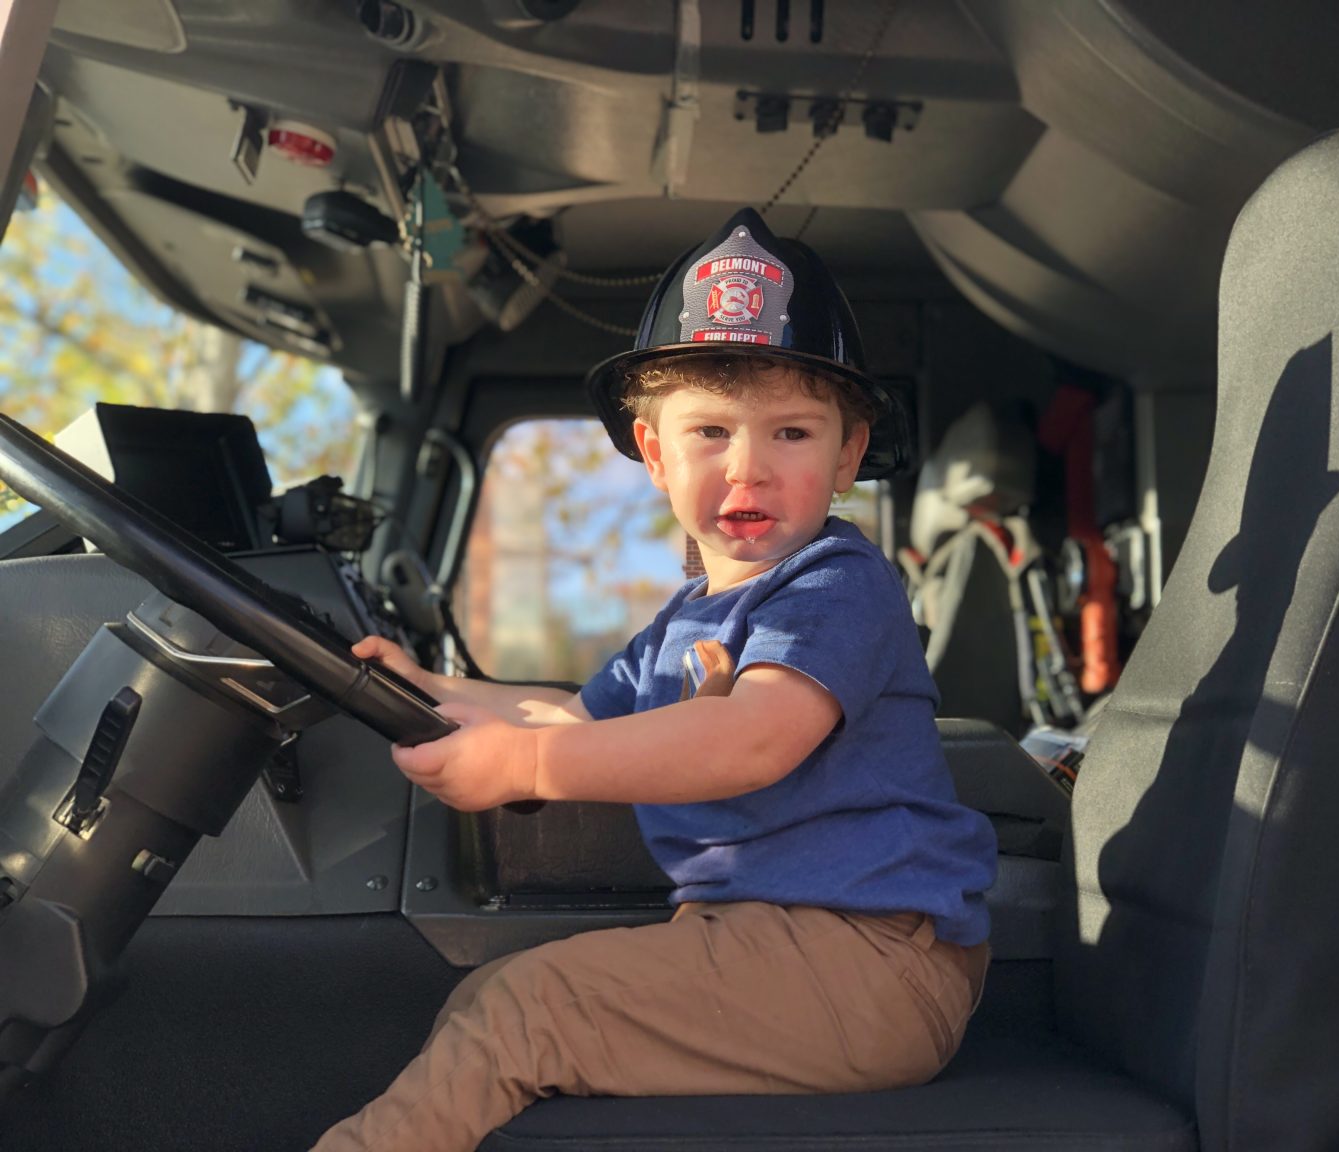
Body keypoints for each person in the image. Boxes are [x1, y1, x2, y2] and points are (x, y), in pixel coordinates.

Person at [312, 208, 998, 1152]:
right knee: (489, 995)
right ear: (654, 452)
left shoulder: (838, 585)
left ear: (847, 454)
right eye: (710, 431)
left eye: (792, 433)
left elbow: (751, 738)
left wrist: (524, 769)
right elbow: (566, 715)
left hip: (870, 960)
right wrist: (421, 686)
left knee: (527, 1010)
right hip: (773, 942)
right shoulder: (686, 620)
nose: (749, 466)